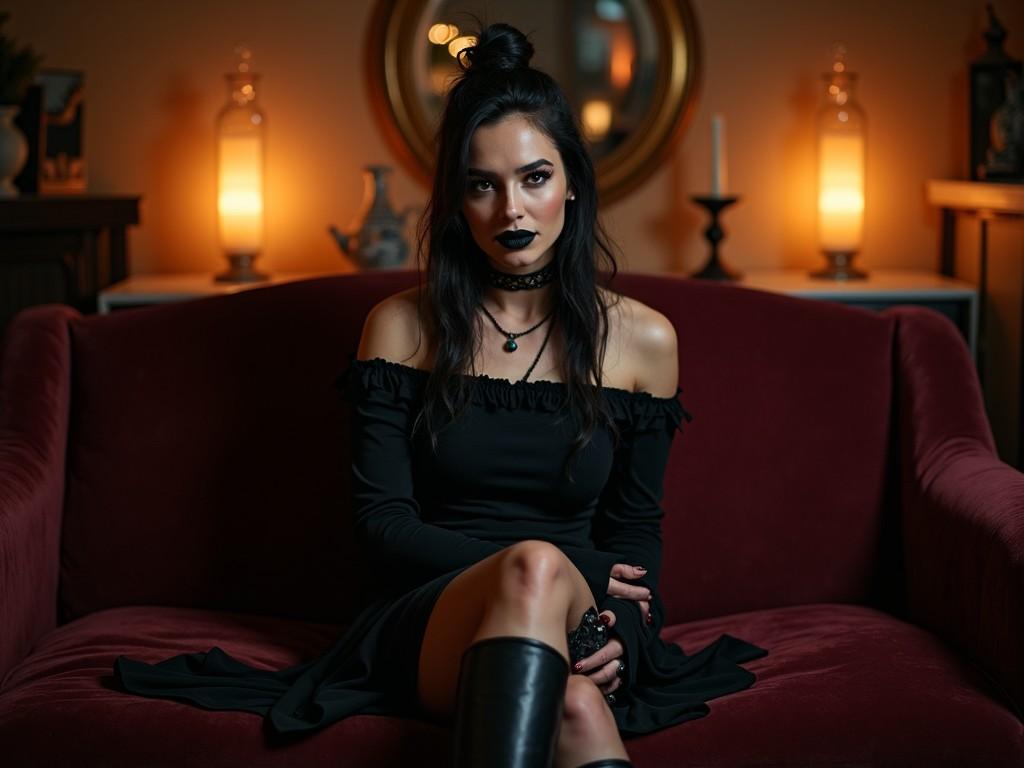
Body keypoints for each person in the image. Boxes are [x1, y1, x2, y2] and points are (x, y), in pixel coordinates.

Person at [114, 22, 767, 768]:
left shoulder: (645, 342)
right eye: (482, 185)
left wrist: (621, 629)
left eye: (534, 177)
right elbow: (382, 527)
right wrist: (557, 562)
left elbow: (635, 540)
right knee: (561, 656)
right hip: (425, 613)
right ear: (456, 200)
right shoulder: (398, 328)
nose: (511, 210)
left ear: (572, 182)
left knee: (575, 674)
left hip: (578, 612)